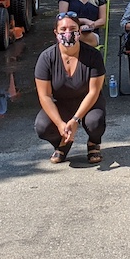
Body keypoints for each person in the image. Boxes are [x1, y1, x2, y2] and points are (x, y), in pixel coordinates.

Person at [34, 12, 107, 165]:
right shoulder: (46, 58)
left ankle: (93, 143)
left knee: (96, 122)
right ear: (56, 33)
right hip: (62, 103)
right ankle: (62, 143)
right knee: (42, 126)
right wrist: (61, 123)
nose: (68, 33)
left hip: (89, 102)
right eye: (63, 29)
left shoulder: (93, 55)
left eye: (72, 28)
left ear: (79, 31)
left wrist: (75, 120)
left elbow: (94, 91)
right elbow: (44, 96)